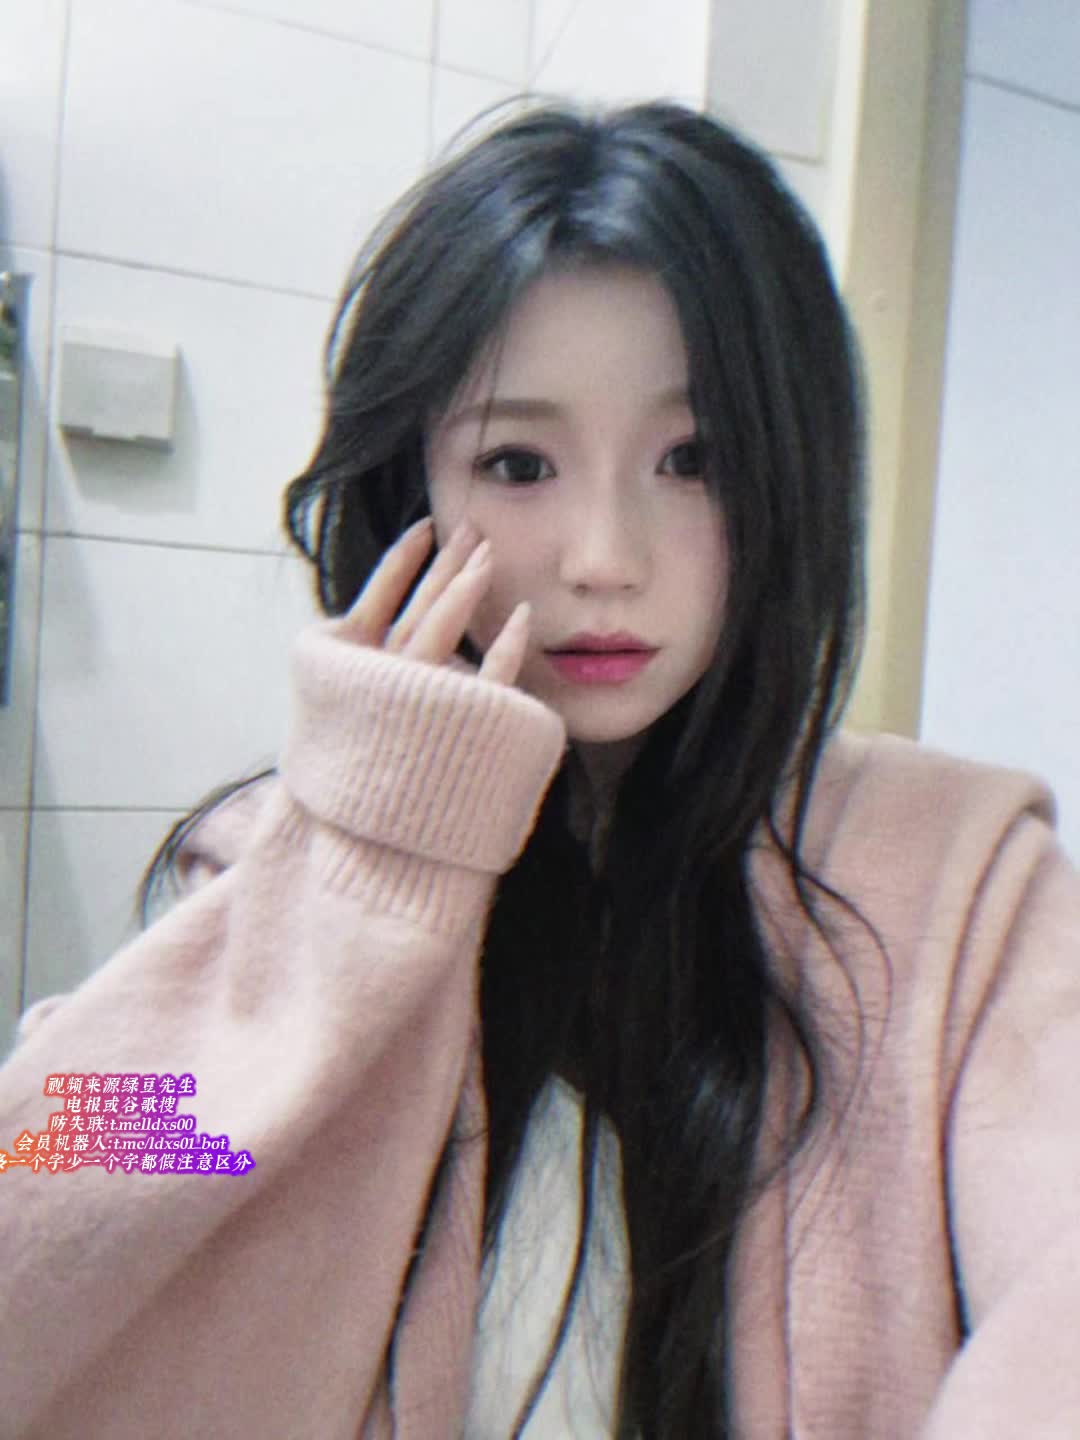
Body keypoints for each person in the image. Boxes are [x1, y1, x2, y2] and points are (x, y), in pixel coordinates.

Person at [1, 99, 1079, 1440]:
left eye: (694, 460)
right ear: (414, 490)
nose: (604, 557)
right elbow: (45, 1177)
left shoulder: (963, 884)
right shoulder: (280, 863)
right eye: (518, 463)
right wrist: (361, 863)